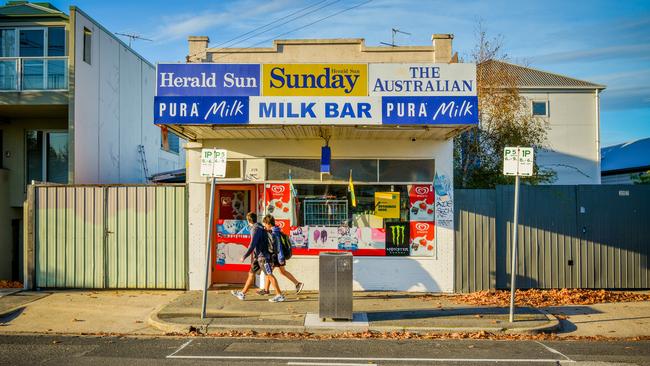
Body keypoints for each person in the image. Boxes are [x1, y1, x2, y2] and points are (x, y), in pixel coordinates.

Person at [231, 212, 285, 303]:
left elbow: (252, 244)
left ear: (248, 221)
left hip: (263, 257)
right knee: (251, 273)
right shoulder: (259, 226)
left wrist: (245, 256)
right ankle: (242, 293)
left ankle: (279, 295)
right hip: (258, 257)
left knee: (269, 275)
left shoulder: (255, 229)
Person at [258, 214, 304, 296]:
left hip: (277, 256)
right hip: (278, 255)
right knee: (279, 272)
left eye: (265, 224)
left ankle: (267, 291)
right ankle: (297, 284)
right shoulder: (276, 230)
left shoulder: (274, 232)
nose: (265, 226)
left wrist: (281, 257)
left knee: (269, 273)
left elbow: (278, 245)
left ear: (269, 223)